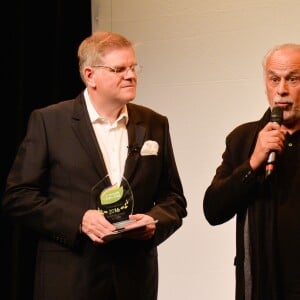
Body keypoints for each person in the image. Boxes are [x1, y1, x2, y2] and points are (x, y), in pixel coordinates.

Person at [1, 31, 187, 300]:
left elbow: (174, 198)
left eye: (134, 67)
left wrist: (155, 220)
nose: (131, 75)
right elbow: (18, 196)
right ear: (90, 76)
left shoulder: (155, 123)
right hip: (71, 278)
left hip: (134, 280)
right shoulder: (50, 122)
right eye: (119, 69)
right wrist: (80, 219)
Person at [203, 43, 300, 300]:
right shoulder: (243, 140)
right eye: (274, 79)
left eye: (293, 79)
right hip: (261, 286)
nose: (281, 90)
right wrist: (253, 163)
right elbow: (213, 210)